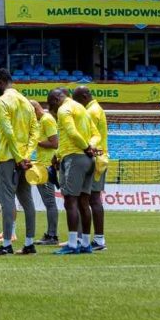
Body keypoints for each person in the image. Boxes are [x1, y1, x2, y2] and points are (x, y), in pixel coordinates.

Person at [0, 69, 39, 256]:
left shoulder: (2, 101)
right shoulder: (26, 102)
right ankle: (29, 243)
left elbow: (8, 131)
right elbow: (35, 132)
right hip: (24, 158)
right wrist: (26, 155)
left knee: (7, 199)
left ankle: (7, 243)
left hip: (8, 157)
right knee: (27, 200)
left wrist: (18, 157)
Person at [49, 88, 100, 255]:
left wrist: (85, 147)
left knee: (70, 201)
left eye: (51, 106)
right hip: (88, 160)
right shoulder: (82, 109)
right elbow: (96, 134)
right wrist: (90, 147)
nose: (53, 110)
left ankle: (72, 244)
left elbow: (71, 133)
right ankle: (85, 243)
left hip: (74, 157)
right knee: (84, 202)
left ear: (56, 99)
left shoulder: (64, 109)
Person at [74, 86, 108, 251]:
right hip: (98, 158)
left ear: (84, 97)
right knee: (89, 199)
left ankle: (99, 240)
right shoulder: (95, 109)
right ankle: (84, 238)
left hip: (95, 159)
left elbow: (89, 137)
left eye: (77, 101)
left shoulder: (91, 112)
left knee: (93, 199)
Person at [32, 100, 60, 247]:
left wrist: (36, 141)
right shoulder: (42, 120)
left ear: (34, 109)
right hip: (42, 165)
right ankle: (51, 234)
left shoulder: (47, 120)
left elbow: (54, 143)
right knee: (48, 202)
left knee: (50, 202)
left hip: (47, 166)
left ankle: (52, 235)